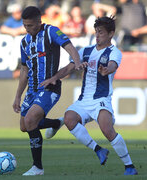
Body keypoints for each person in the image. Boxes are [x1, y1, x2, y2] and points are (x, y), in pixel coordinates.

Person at [43, 16, 138, 175]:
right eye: (96, 31)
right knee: (69, 118)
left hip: (101, 99)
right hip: (84, 100)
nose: (97, 35)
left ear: (110, 34)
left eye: (101, 32)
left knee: (107, 130)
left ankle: (130, 166)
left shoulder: (114, 52)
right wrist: (54, 78)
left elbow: (112, 66)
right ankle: (99, 150)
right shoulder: (85, 51)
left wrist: (106, 70)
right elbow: (69, 68)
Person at [12, 6, 82, 176]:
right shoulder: (24, 42)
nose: (28, 29)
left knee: (30, 121)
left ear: (39, 22)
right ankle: (56, 123)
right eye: (25, 26)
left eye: (31, 25)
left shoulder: (51, 32)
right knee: (24, 126)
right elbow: (24, 70)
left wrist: (77, 62)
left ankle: (37, 167)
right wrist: (17, 96)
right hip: (32, 90)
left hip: (50, 87)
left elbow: (70, 47)